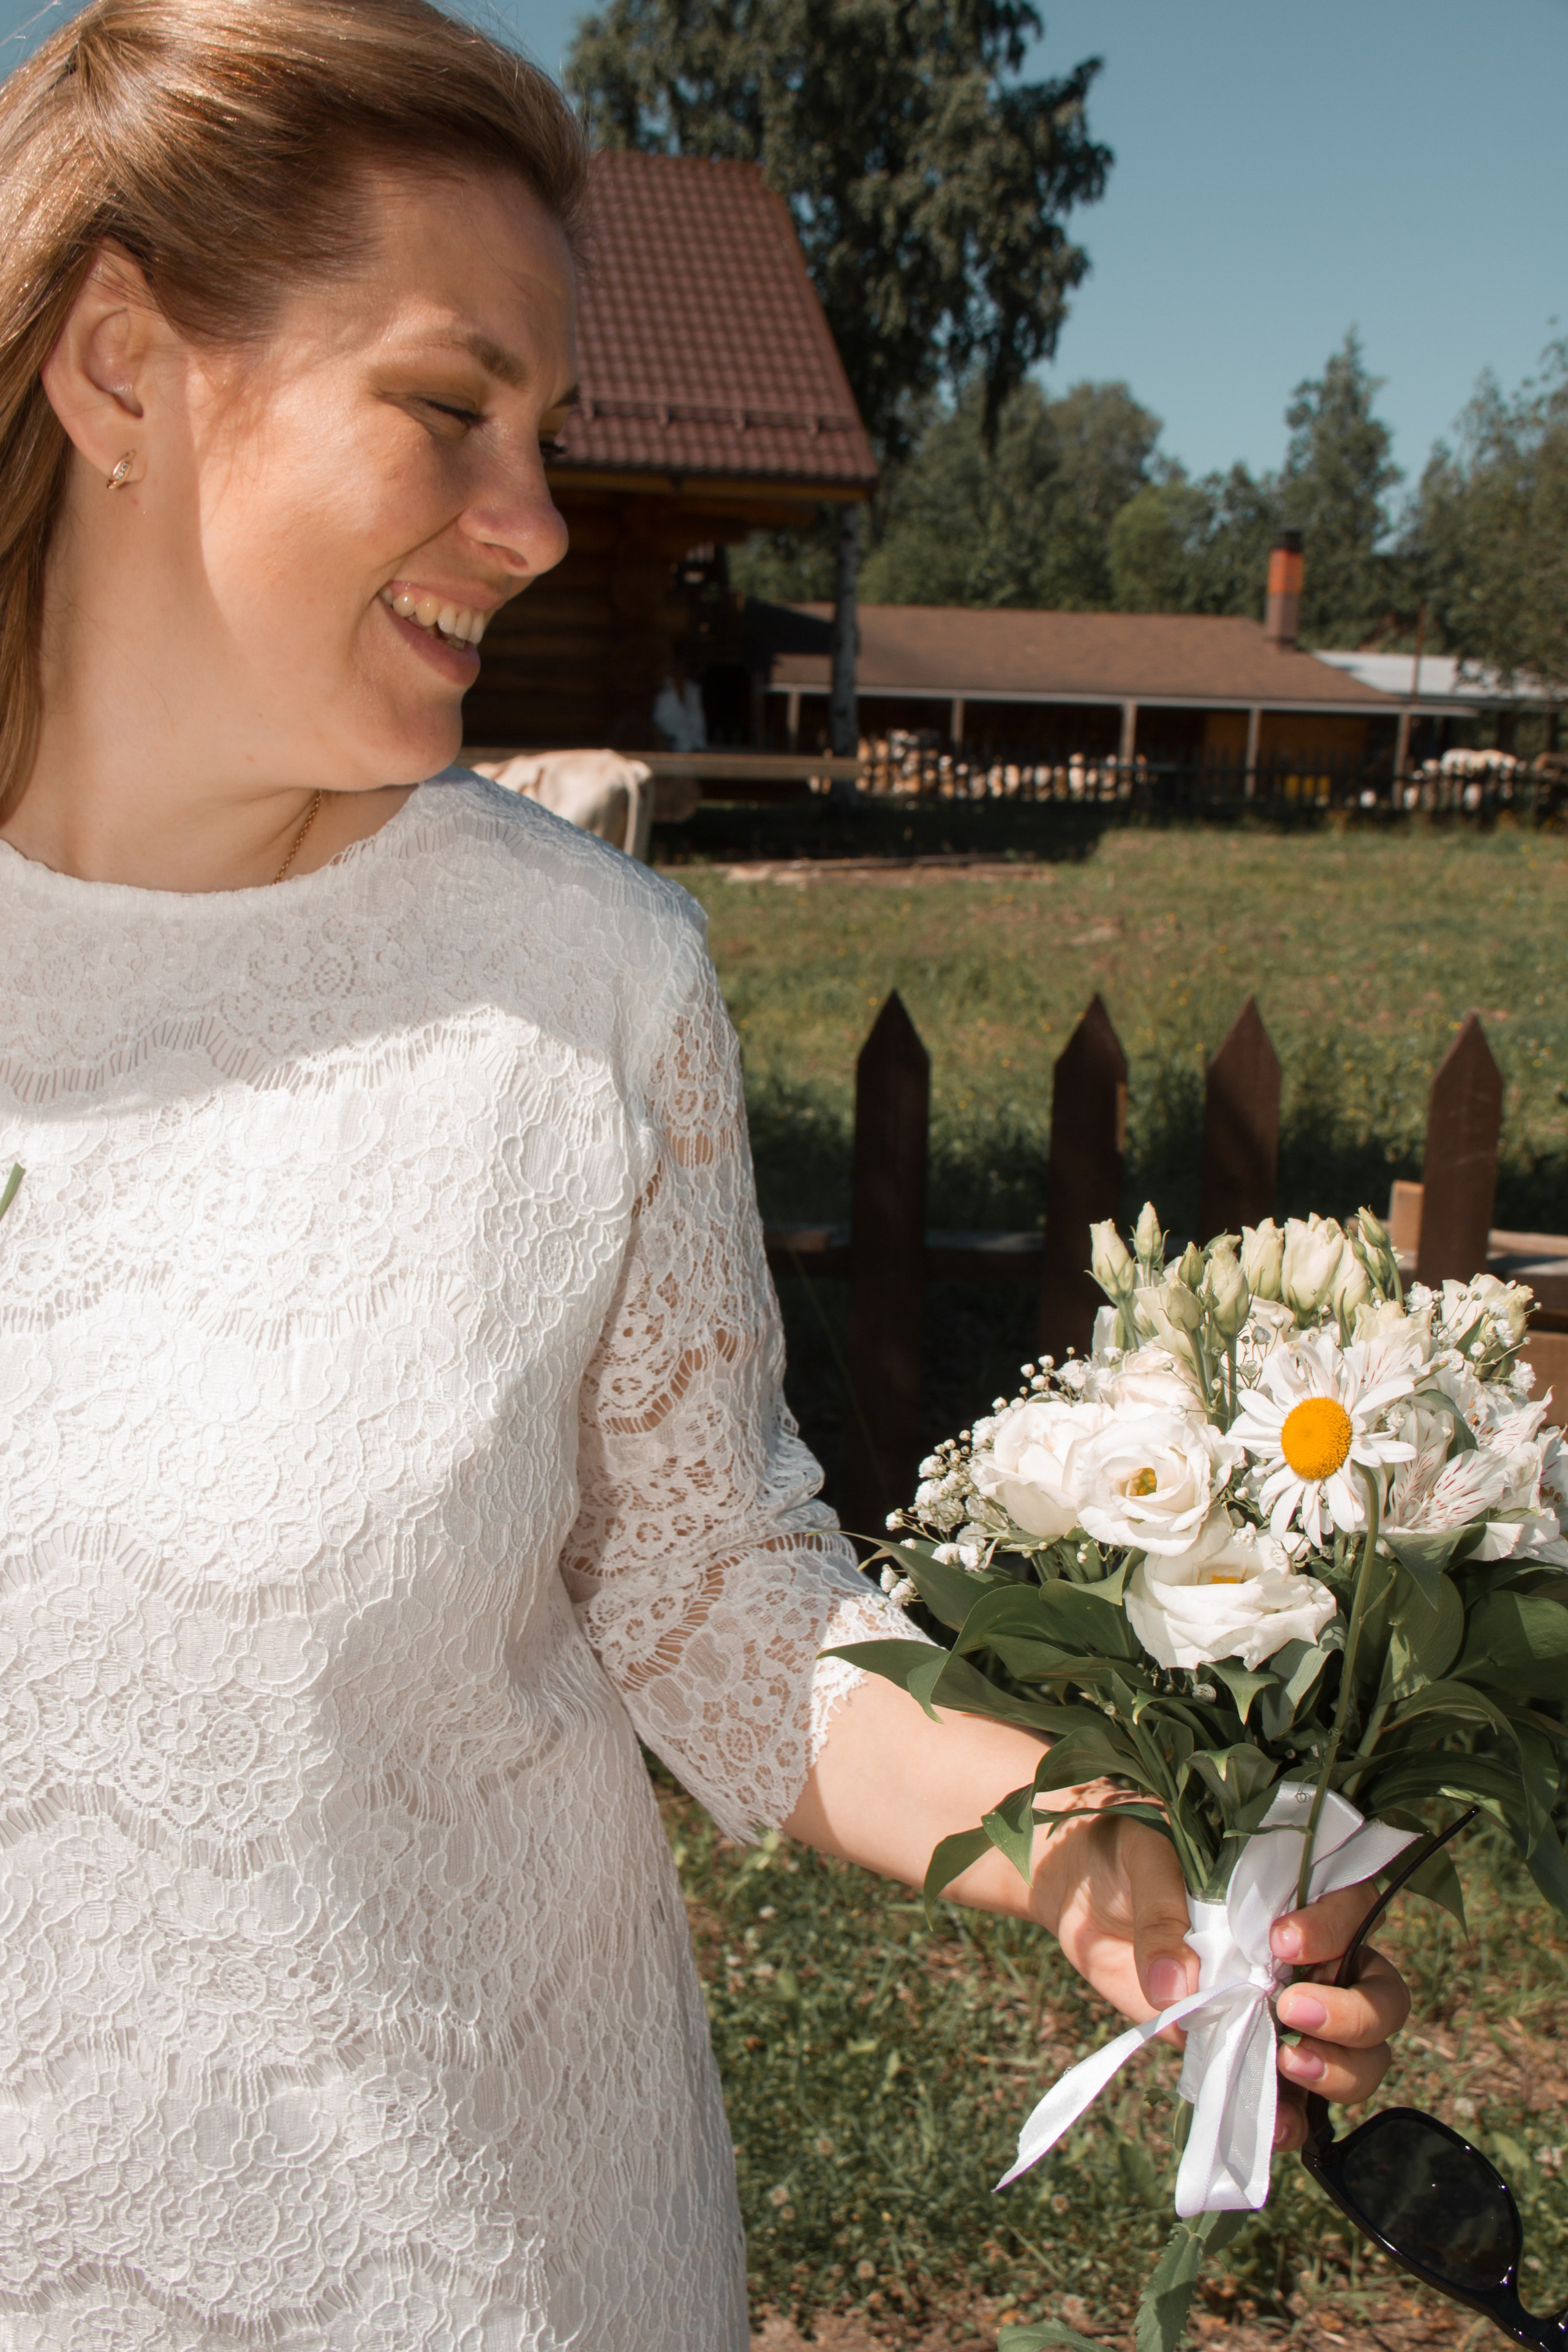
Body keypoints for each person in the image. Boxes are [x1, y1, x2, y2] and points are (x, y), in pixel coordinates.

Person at [0, 4, 1409, 2346]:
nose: (538, 523)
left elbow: (719, 1600)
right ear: (128, 367)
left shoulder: (581, 993)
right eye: (451, 410)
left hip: (478, 2275)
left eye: (543, 436)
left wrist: (1087, 1849)